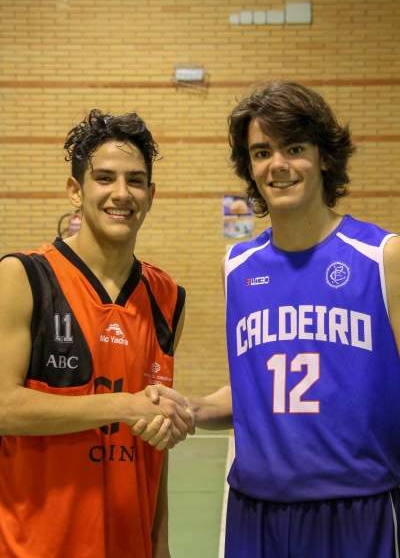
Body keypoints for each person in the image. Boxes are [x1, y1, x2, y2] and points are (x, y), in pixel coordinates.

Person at [133, 81, 400, 557]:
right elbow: (256, 391)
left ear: (324, 157)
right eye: (261, 152)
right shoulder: (237, 267)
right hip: (255, 514)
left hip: (358, 511)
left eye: (294, 148)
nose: (277, 165)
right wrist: (190, 408)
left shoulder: (382, 257)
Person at [0, 109, 193, 558]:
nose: (121, 193)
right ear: (75, 190)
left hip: (129, 544)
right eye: (104, 178)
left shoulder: (168, 298)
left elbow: (155, 442)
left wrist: (160, 542)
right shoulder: (23, 277)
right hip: (34, 547)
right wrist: (123, 405)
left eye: (135, 180)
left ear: (150, 195)